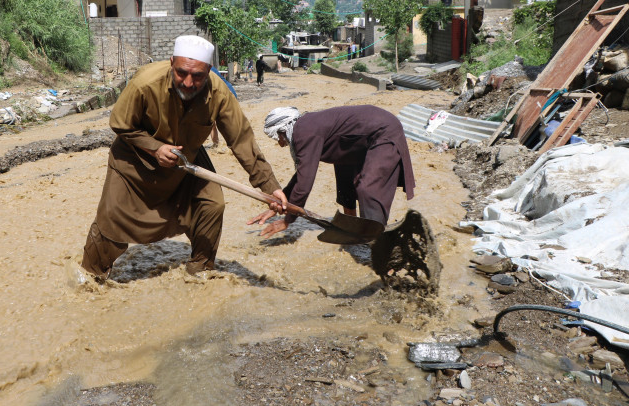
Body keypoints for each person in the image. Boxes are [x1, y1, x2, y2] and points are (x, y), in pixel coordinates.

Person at [82, 35, 287, 279]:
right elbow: (121, 124)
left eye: (198, 76)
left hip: (185, 162)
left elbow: (241, 140)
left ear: (209, 71)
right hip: (134, 160)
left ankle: (200, 272)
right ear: (171, 63)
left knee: (212, 205)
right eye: (181, 73)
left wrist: (269, 186)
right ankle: (90, 278)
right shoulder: (144, 83)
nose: (188, 83)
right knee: (113, 219)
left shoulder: (219, 93)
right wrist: (154, 148)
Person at [247, 105, 415, 239]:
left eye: (279, 138)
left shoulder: (303, 132)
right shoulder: (305, 127)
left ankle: (378, 238)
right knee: (344, 178)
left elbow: (304, 185)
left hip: (383, 131)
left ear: (284, 129)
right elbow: (300, 177)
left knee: (368, 188)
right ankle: (353, 225)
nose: (281, 144)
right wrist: (279, 204)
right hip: (356, 142)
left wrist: (288, 220)